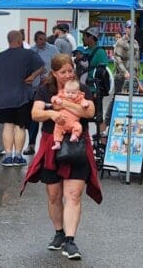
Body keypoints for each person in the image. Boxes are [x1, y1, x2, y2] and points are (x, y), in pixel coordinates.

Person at [23, 54, 102, 261]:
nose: (68, 75)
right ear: (54, 73)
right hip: (52, 143)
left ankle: (70, 240)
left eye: (70, 71)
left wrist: (64, 105)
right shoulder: (45, 89)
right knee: (54, 195)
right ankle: (59, 232)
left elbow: (89, 113)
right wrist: (51, 114)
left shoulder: (82, 89)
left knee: (73, 194)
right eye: (63, 72)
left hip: (77, 144)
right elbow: (35, 114)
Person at [0, 30, 45, 167]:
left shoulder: (0, 56)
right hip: (22, 97)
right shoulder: (28, 54)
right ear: (20, 41)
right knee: (20, 126)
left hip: (5, 97)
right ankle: (18, 156)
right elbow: (42, 66)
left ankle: (8, 157)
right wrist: (33, 76)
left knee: (8, 125)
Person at [27, 31, 60, 155]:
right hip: (34, 88)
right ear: (35, 40)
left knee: (50, 116)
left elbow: (58, 64)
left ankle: (50, 144)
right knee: (34, 118)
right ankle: (31, 144)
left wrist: (50, 78)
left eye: (44, 39)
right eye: (40, 39)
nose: (43, 42)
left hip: (49, 87)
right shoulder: (31, 51)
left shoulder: (53, 49)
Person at [104, 24, 140, 136]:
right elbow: (117, 58)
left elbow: (137, 60)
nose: (132, 30)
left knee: (131, 99)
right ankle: (107, 123)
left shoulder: (135, 42)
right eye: (129, 28)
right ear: (126, 29)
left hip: (133, 76)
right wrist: (125, 72)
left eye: (134, 28)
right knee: (117, 98)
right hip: (122, 76)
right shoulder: (121, 42)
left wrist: (137, 76)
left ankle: (126, 123)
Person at [79, 27, 109, 124]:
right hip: (82, 89)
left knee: (97, 118)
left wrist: (98, 91)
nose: (82, 38)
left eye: (84, 36)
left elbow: (102, 73)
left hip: (94, 90)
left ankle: (102, 133)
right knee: (82, 117)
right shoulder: (84, 51)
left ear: (91, 37)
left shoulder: (100, 52)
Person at [51, 80, 91, 150]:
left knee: (78, 127)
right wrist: (56, 99)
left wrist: (85, 104)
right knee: (57, 129)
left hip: (73, 122)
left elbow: (84, 101)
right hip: (62, 121)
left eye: (73, 93)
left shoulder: (79, 98)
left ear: (78, 92)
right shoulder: (61, 95)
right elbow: (53, 98)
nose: (70, 94)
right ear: (64, 91)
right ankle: (57, 143)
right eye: (68, 92)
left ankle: (74, 136)